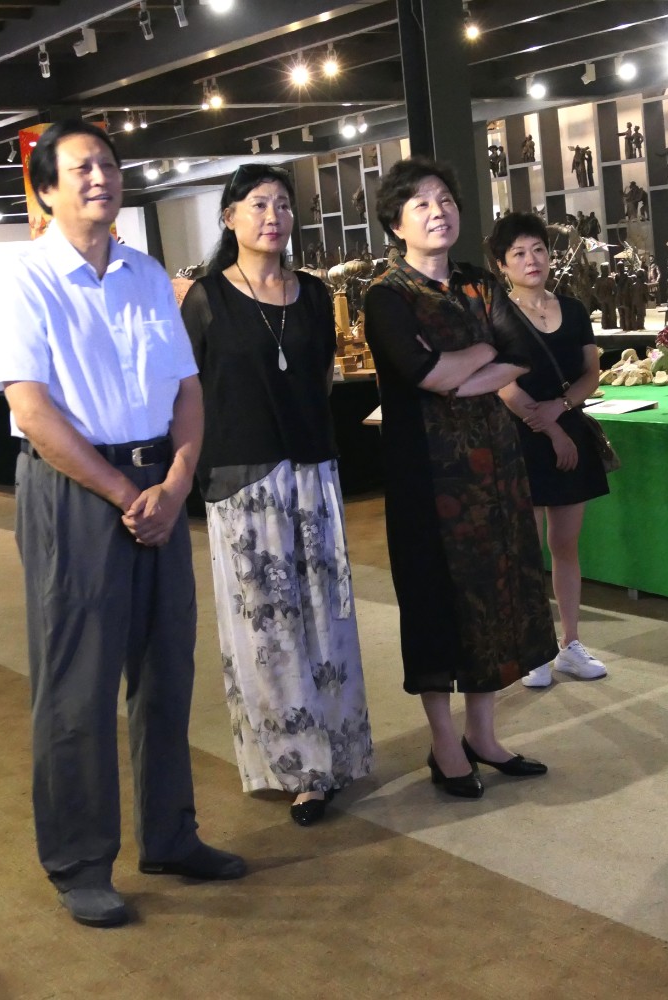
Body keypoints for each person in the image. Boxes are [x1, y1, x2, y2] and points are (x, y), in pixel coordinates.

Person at [0, 119, 245, 929]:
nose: (100, 177)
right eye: (81, 168)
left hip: (156, 481)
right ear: (45, 189)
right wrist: (124, 492)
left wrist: (176, 480)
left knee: (165, 671)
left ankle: (170, 835)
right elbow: (32, 410)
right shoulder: (23, 279)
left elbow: (187, 390)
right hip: (74, 490)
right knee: (77, 684)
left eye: (109, 164)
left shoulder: (146, 274)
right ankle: (80, 862)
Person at [180, 163, 373, 828]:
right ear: (229, 216)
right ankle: (297, 768)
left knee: (326, 614)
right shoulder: (205, 298)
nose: (273, 216)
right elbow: (189, 392)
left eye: (283, 205)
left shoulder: (314, 295)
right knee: (268, 627)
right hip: (244, 479)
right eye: (258, 204)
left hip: (313, 472)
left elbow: (321, 380)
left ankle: (338, 752)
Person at [362, 158, 555, 798]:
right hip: (427, 475)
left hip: (493, 471)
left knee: (491, 597)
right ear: (396, 224)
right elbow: (424, 374)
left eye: (444, 199)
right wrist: (479, 355)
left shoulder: (477, 282)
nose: (437, 211)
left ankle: (483, 734)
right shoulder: (387, 295)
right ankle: (444, 743)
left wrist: (458, 371)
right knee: (437, 603)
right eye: (420, 204)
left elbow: (519, 355)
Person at [488, 212, 611, 689]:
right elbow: (504, 387)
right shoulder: (496, 314)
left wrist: (561, 410)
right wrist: (550, 428)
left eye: (538, 249)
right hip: (520, 436)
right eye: (518, 253)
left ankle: (570, 644)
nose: (531, 259)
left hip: (567, 428)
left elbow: (590, 374)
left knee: (565, 544)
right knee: (526, 548)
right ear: (502, 265)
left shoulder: (574, 310)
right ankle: (533, 648)